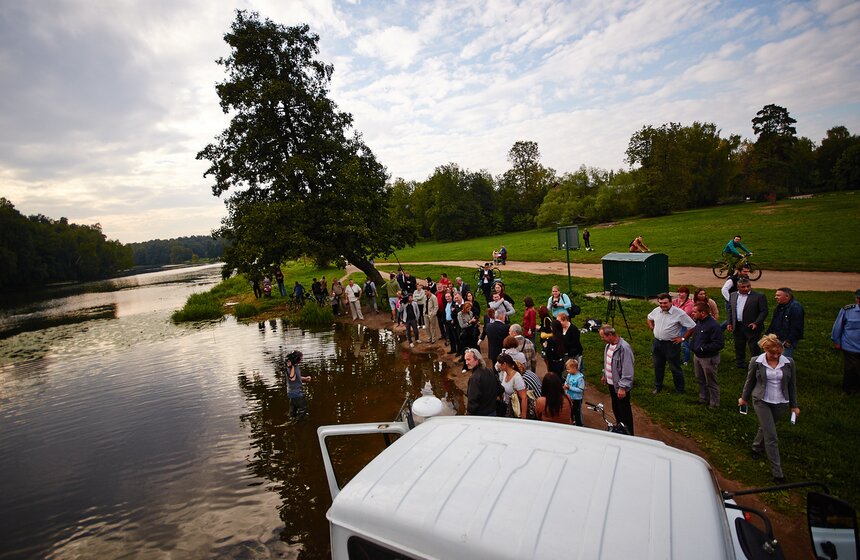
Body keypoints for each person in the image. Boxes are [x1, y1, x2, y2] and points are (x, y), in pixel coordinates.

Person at [738, 334, 800, 483]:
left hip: (780, 402)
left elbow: (792, 385)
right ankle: (778, 474)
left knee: (766, 427)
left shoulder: (789, 362)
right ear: (765, 349)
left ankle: (755, 448)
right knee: (771, 436)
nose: (776, 356)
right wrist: (743, 398)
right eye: (773, 353)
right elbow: (750, 381)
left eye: (779, 353)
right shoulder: (756, 362)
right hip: (761, 400)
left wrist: (794, 406)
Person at [647, 293, 696, 395]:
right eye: (660, 303)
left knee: (675, 367)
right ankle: (658, 386)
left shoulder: (679, 313)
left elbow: (692, 326)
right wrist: (652, 327)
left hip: (671, 345)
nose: (662, 305)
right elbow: (649, 317)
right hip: (657, 343)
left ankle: (679, 389)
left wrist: (682, 338)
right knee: (658, 366)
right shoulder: (656, 311)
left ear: (670, 302)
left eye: (665, 303)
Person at [599, 325, 635, 436]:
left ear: (610, 335)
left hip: (620, 387)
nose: (602, 339)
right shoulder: (608, 346)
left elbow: (628, 369)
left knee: (624, 412)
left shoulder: (624, 348)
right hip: (612, 384)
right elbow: (607, 361)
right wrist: (605, 374)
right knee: (616, 408)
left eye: (603, 336)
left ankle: (629, 434)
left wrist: (623, 387)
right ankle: (620, 430)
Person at [727, 279, 769, 369]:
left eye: (748, 286)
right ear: (738, 287)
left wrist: (756, 323)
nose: (746, 288)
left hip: (752, 327)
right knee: (739, 345)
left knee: (754, 347)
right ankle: (740, 363)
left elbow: (764, 311)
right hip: (737, 326)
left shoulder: (759, 296)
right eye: (743, 287)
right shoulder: (733, 295)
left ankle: (757, 364)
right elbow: (730, 310)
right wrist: (730, 322)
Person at [690, 302, 724, 409]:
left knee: (711, 381)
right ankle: (703, 398)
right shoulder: (699, 322)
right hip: (697, 356)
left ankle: (714, 403)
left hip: (708, 358)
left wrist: (702, 348)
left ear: (703, 313)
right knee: (699, 378)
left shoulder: (713, 326)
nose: (692, 314)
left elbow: (719, 344)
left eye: (695, 312)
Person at [831, 289, 860, 394]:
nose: (859, 301)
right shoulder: (847, 310)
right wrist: (836, 341)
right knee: (851, 369)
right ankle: (850, 389)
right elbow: (838, 326)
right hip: (850, 345)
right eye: (858, 298)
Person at [766, 288, 804, 359]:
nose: (775, 297)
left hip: (786, 341)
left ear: (787, 296)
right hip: (777, 338)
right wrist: (767, 334)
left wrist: (789, 341)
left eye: (778, 295)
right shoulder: (780, 306)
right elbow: (774, 322)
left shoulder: (795, 307)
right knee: (773, 359)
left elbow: (797, 327)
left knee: (784, 360)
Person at [465, 348, 499, 416]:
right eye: (465, 360)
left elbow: (473, 400)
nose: (466, 363)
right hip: (493, 412)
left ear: (477, 360)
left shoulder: (474, 378)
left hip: (481, 416)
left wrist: (468, 414)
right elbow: (499, 389)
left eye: (469, 359)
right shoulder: (490, 371)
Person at [497, 354, 527, 419]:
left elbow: (524, 398)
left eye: (499, 363)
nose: (498, 365)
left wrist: (523, 417)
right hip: (506, 408)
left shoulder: (517, 377)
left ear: (504, 364)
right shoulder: (505, 373)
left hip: (514, 412)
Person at [673, 286, 695, 365]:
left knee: (684, 342)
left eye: (682, 292)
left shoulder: (690, 303)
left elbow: (685, 314)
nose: (680, 294)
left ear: (686, 294)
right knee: (676, 342)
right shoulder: (676, 301)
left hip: (685, 326)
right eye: (679, 292)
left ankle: (686, 360)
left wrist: (674, 313)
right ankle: (677, 358)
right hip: (677, 324)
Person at [285, 352, 311, 418]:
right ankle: (301, 424)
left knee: (292, 411)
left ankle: (292, 423)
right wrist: (292, 366)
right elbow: (292, 378)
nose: (301, 359)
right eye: (300, 358)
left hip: (291, 393)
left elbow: (296, 377)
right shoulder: (291, 368)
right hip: (297, 393)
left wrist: (305, 378)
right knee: (302, 410)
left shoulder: (294, 367)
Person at [562, 357, 585, 426]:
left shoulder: (580, 378)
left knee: (577, 412)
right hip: (569, 397)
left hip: (576, 399)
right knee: (570, 411)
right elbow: (566, 382)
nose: (567, 371)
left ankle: (579, 424)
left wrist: (570, 388)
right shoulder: (569, 375)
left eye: (568, 369)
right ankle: (572, 422)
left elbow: (581, 389)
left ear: (574, 368)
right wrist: (565, 385)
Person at [457, 302, 480, 370]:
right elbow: (462, 325)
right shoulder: (460, 314)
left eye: (470, 308)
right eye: (468, 308)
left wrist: (476, 322)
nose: (469, 309)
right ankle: (465, 366)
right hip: (465, 334)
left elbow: (473, 323)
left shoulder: (470, 312)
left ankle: (476, 364)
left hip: (472, 333)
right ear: (465, 308)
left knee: (475, 348)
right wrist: (470, 321)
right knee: (466, 350)